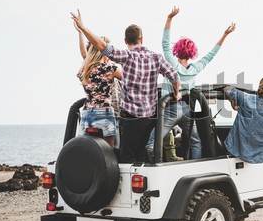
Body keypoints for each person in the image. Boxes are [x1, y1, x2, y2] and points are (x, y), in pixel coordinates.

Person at [71, 10, 181, 163]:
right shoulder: (157, 58)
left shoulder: (126, 56)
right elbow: (174, 76)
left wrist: (82, 29)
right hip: (149, 117)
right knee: (140, 151)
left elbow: (100, 46)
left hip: (130, 117)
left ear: (125, 40)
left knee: (126, 154)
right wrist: (177, 93)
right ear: (142, 38)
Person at [149, 6, 236, 160]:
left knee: (151, 142)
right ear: (192, 53)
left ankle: (153, 165)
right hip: (187, 109)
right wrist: (225, 34)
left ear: (177, 50)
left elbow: (164, 43)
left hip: (171, 109)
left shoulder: (171, 64)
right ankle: (195, 167)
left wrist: (169, 19)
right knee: (196, 142)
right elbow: (211, 55)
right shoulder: (195, 68)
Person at [75, 20, 123, 148]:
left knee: (88, 149)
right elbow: (130, 78)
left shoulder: (84, 69)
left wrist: (80, 33)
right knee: (109, 152)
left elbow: (85, 56)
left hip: (87, 113)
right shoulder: (109, 68)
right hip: (105, 112)